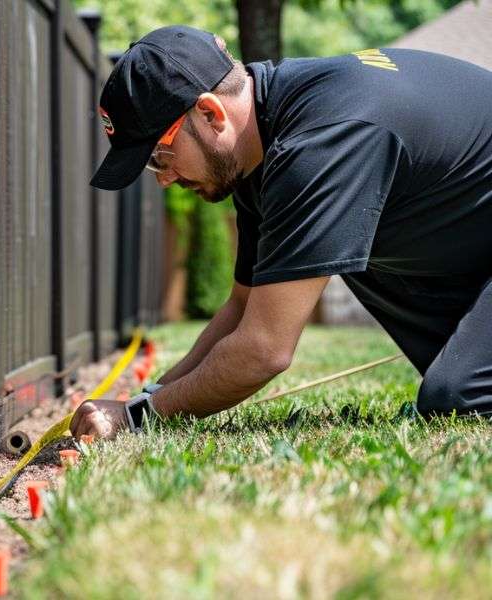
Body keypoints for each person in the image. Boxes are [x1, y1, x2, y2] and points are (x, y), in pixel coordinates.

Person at [70, 24, 492, 441]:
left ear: (210, 112)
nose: (163, 179)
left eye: (161, 155)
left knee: (460, 397)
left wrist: (135, 418)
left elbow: (262, 350)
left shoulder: (320, 143)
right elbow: (243, 306)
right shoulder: (263, 142)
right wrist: (149, 399)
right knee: (329, 246)